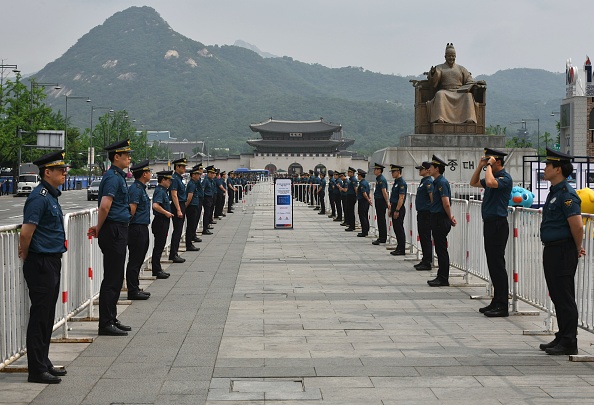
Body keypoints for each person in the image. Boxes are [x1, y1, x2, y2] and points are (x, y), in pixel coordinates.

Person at [19, 150, 68, 384]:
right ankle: (36, 369)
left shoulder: (51, 196)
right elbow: (27, 232)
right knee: (40, 315)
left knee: (47, 314)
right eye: (60, 170)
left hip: (51, 260)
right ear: (47, 172)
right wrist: (26, 254)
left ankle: (43, 361)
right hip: (41, 261)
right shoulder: (39, 197)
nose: (65, 173)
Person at [538, 148, 584, 355]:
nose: (545, 168)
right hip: (552, 249)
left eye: (548, 165)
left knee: (564, 295)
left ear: (558, 169)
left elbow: (577, 225)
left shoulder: (567, 195)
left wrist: (576, 248)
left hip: (563, 249)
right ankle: (562, 334)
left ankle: (569, 341)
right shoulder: (555, 192)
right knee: (557, 294)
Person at [88, 139, 133, 336]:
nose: (129, 159)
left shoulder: (117, 176)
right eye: (127, 155)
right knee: (112, 278)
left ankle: (111, 318)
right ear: (117, 157)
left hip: (117, 229)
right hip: (113, 230)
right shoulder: (113, 178)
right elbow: (105, 205)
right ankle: (105, 323)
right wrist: (99, 226)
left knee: (116, 277)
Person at [470, 148, 513, 317]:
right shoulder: (491, 175)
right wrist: (480, 166)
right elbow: (473, 183)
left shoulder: (504, 178)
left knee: (498, 265)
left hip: (498, 224)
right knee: (493, 265)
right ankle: (496, 301)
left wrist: (488, 165)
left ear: (498, 162)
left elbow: (489, 183)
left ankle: (502, 305)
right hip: (489, 223)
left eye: (491, 161)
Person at [427, 43, 478, 124]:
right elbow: (434, 81)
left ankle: (469, 118)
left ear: (455, 56)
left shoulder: (461, 68)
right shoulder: (440, 67)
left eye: (453, 56)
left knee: (468, 96)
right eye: (449, 56)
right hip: (445, 91)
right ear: (445, 57)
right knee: (440, 94)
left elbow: (469, 79)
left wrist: (472, 84)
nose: (451, 58)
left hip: (459, 92)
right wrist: (433, 73)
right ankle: (441, 118)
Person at [426, 155, 457, 287]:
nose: (429, 169)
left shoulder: (441, 182)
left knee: (441, 249)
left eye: (431, 167)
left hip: (440, 218)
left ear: (437, 168)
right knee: (439, 248)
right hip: (436, 217)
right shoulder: (436, 182)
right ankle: (441, 275)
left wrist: (450, 217)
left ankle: (443, 278)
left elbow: (446, 203)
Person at [126, 160, 152, 300]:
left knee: (139, 258)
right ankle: (132, 290)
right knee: (135, 260)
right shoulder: (136, 189)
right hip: (136, 228)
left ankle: (135, 286)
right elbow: (132, 210)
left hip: (142, 227)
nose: (150, 174)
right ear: (144, 174)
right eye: (149, 172)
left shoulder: (140, 188)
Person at [151, 171, 174, 279]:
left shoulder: (164, 191)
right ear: (163, 180)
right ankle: (156, 269)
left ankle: (158, 268)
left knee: (160, 245)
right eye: (169, 180)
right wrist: (166, 212)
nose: (170, 182)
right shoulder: (160, 191)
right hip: (160, 221)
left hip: (163, 221)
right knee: (159, 246)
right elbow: (155, 206)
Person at [413, 162, 434, 271]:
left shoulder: (429, 182)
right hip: (422, 213)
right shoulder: (424, 181)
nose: (419, 171)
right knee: (423, 236)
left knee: (426, 237)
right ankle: (425, 258)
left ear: (427, 170)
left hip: (426, 213)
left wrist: (431, 210)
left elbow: (432, 197)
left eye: (421, 169)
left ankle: (427, 261)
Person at [169, 158, 188, 263]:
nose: (185, 168)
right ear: (177, 167)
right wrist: (178, 209)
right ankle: (173, 253)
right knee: (177, 230)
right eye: (183, 166)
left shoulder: (179, 178)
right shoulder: (175, 179)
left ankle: (174, 252)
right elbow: (174, 195)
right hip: (178, 205)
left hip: (181, 204)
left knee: (179, 230)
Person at [389, 164, 407, 255]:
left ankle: (401, 248)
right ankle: (399, 247)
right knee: (396, 228)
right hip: (394, 206)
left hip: (398, 207)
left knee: (399, 228)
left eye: (393, 171)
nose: (392, 173)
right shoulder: (396, 182)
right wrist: (391, 208)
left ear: (398, 172)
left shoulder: (401, 183)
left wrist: (397, 210)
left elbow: (401, 197)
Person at [185, 165, 203, 247]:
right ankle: (189, 244)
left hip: (194, 205)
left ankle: (190, 242)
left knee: (192, 225)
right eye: (197, 174)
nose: (199, 176)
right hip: (191, 206)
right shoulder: (191, 184)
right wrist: (185, 206)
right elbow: (189, 197)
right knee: (190, 226)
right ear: (193, 175)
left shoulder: (194, 183)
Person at [372, 163, 390, 245]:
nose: (374, 171)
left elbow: (384, 191)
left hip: (381, 201)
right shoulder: (378, 179)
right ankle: (381, 236)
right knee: (380, 219)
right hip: (379, 200)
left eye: (375, 169)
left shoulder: (381, 179)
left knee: (381, 219)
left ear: (379, 170)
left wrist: (387, 202)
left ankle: (382, 237)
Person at [356, 169, 371, 237]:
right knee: (365, 215)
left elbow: (364, 193)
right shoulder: (366, 182)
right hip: (365, 201)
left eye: (358, 175)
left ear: (360, 176)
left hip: (363, 201)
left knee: (362, 216)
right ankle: (366, 229)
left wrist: (368, 199)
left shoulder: (362, 183)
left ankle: (364, 231)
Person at [201, 165, 217, 235]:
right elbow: (203, 189)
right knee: (206, 213)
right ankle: (205, 228)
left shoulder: (211, 181)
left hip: (211, 197)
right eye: (212, 173)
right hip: (207, 198)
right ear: (209, 173)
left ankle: (207, 225)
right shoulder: (206, 180)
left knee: (209, 212)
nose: (214, 175)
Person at [345, 167, 358, 232]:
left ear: (352, 173)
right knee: (349, 210)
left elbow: (355, 188)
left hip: (352, 196)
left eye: (349, 172)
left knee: (350, 210)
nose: (348, 173)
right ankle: (350, 224)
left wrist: (357, 196)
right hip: (349, 195)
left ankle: (352, 226)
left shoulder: (353, 180)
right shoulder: (350, 179)